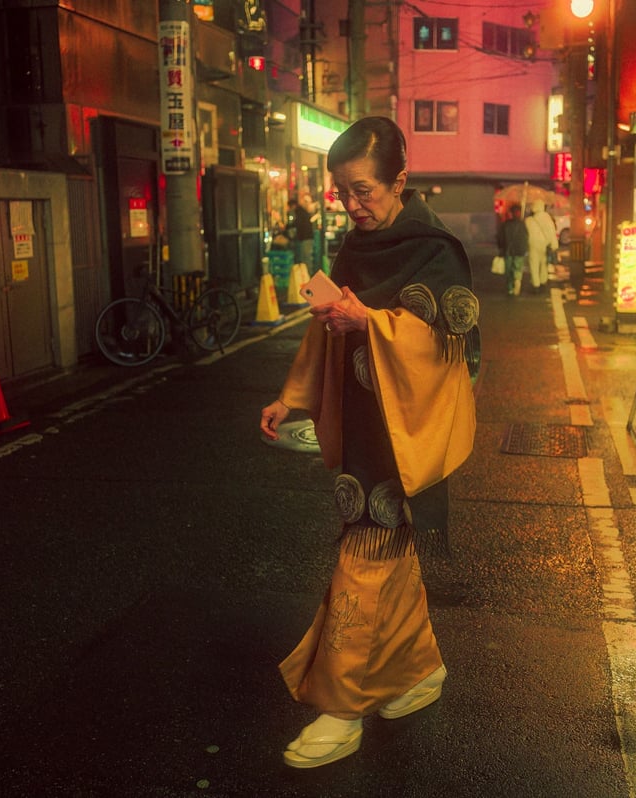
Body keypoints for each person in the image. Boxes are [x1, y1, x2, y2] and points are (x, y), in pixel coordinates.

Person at [259, 116, 478, 769]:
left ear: (400, 181)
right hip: (364, 429)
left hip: (405, 434)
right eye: (342, 193)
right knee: (390, 553)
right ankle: (416, 672)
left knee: (364, 556)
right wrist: (292, 396)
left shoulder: (434, 248)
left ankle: (342, 706)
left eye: (363, 192)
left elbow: (447, 345)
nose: (352, 205)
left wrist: (372, 321)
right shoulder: (357, 244)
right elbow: (326, 329)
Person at [524, 200, 558, 293]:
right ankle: (543, 282)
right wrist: (554, 245)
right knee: (544, 265)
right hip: (545, 245)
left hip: (533, 246)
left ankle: (536, 285)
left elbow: (525, 234)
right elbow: (552, 233)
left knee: (534, 265)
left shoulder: (529, 220)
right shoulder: (547, 218)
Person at [496, 204, 528, 297]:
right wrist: (524, 249)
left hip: (508, 251)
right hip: (519, 251)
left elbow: (500, 238)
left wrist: (501, 248)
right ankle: (517, 283)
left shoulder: (506, 224)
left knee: (509, 271)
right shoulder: (522, 224)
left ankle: (510, 288)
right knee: (517, 269)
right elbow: (525, 238)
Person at [289, 196, 317, 269]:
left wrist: (288, 226)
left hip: (306, 238)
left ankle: (308, 276)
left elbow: (297, 223)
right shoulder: (301, 211)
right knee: (305, 258)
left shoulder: (299, 212)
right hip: (307, 238)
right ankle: (307, 275)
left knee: (306, 258)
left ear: (293, 205)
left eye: (290, 207)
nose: (290, 209)